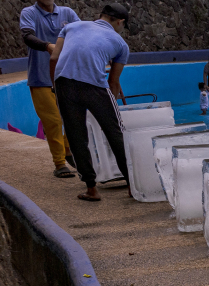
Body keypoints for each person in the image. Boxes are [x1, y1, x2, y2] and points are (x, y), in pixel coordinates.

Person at [48, 2, 131, 202]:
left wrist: (55, 87)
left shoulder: (71, 27)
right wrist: (111, 108)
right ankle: (132, 185)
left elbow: (54, 58)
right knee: (116, 134)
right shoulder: (120, 44)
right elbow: (113, 82)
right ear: (120, 22)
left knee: (77, 137)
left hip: (64, 84)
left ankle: (91, 189)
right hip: (95, 87)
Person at [20, 0, 78, 178]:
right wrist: (47, 46)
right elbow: (27, 36)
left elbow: (81, 33)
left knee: (72, 117)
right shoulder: (29, 13)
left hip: (67, 75)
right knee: (53, 121)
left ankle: (68, 151)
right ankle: (59, 163)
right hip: (41, 77)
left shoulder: (67, 13)